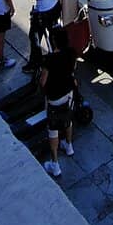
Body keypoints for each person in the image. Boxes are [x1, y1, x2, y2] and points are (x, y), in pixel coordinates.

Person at [40, 25, 78, 177]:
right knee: (67, 119)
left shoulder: (49, 60)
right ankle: (69, 145)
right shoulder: (71, 53)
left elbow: (43, 81)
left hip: (54, 97)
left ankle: (55, 163)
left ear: (53, 41)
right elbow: (73, 69)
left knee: (53, 128)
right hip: (68, 93)